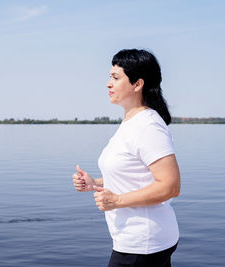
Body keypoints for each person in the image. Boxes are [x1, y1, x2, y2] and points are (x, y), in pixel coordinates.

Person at [72, 49, 180, 267]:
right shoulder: (131, 123)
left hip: (143, 245)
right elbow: (134, 174)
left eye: (115, 77)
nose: (108, 84)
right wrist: (96, 183)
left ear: (137, 84)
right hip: (138, 242)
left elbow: (170, 186)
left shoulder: (148, 126)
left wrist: (117, 201)